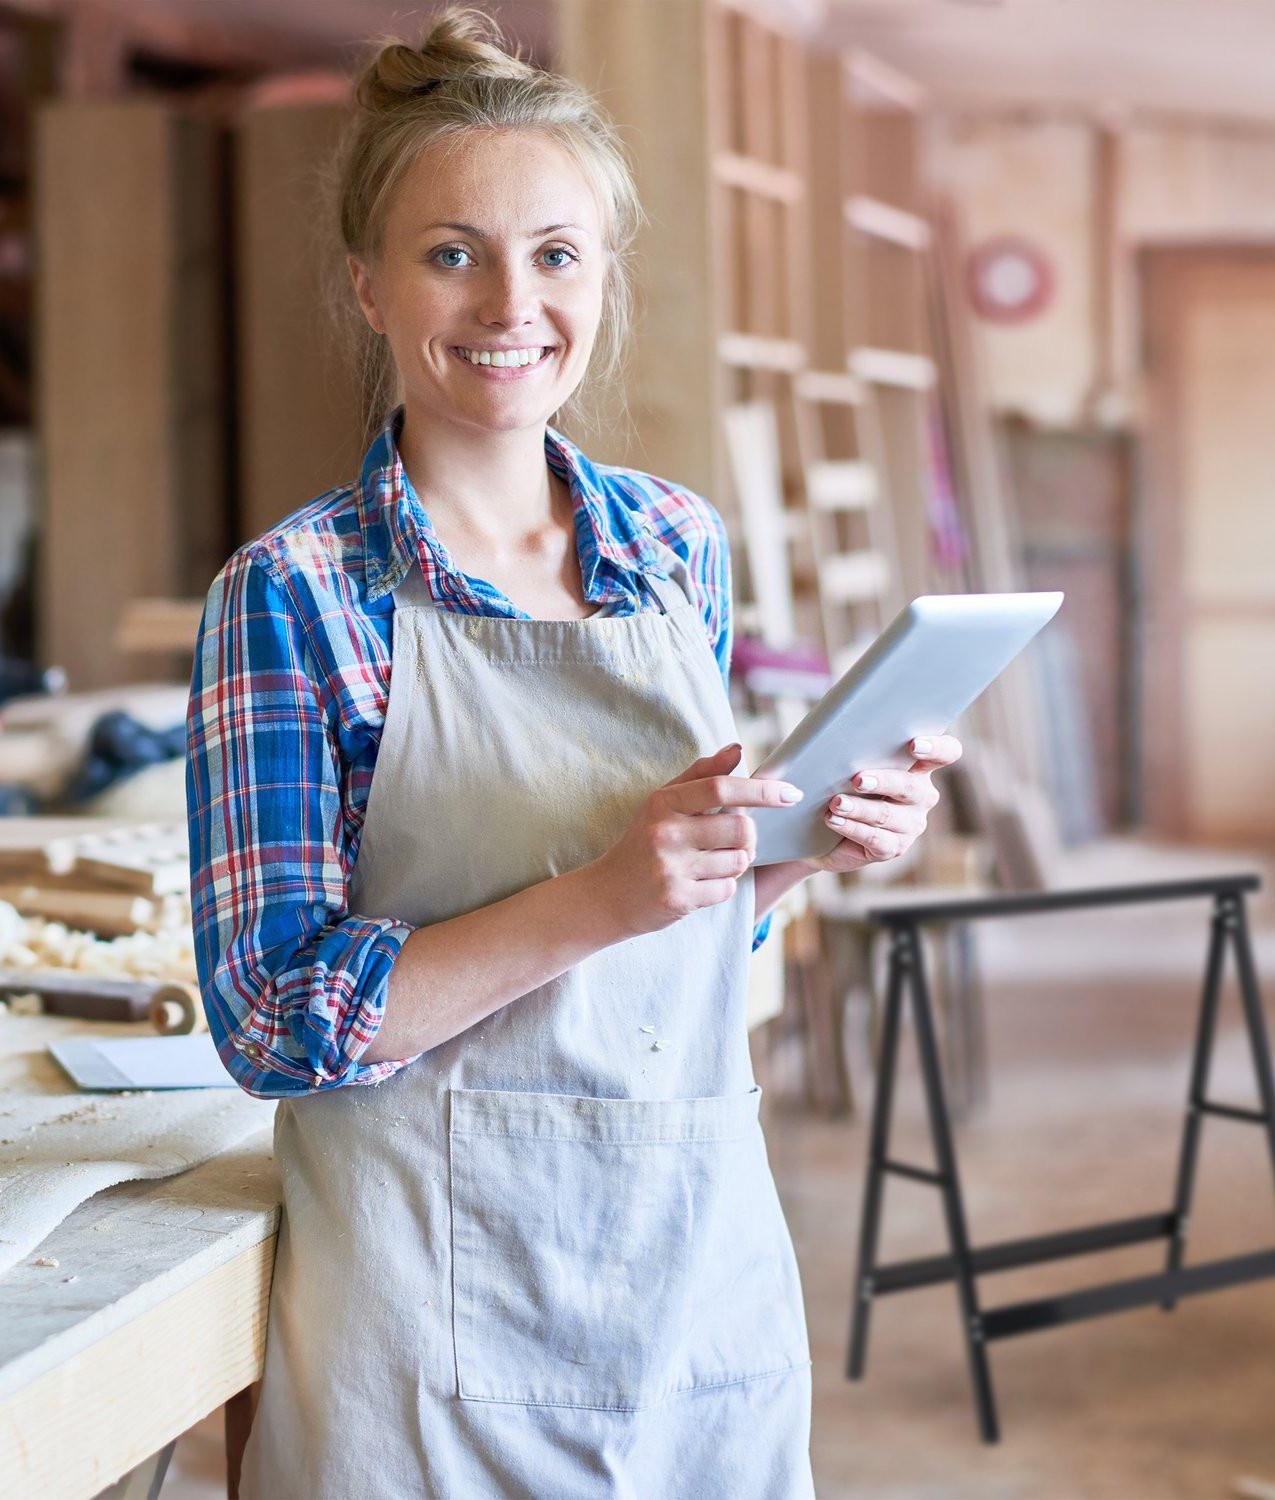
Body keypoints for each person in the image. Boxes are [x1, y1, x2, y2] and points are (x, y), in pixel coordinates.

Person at [186, 8, 961, 1496]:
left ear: (603, 276)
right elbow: (274, 1021)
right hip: (425, 1334)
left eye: (556, 253)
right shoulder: (294, 597)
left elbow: (681, 941)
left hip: (693, 1287)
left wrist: (800, 849)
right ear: (367, 283)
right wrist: (607, 892)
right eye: (451, 251)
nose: (510, 303)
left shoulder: (675, 544)